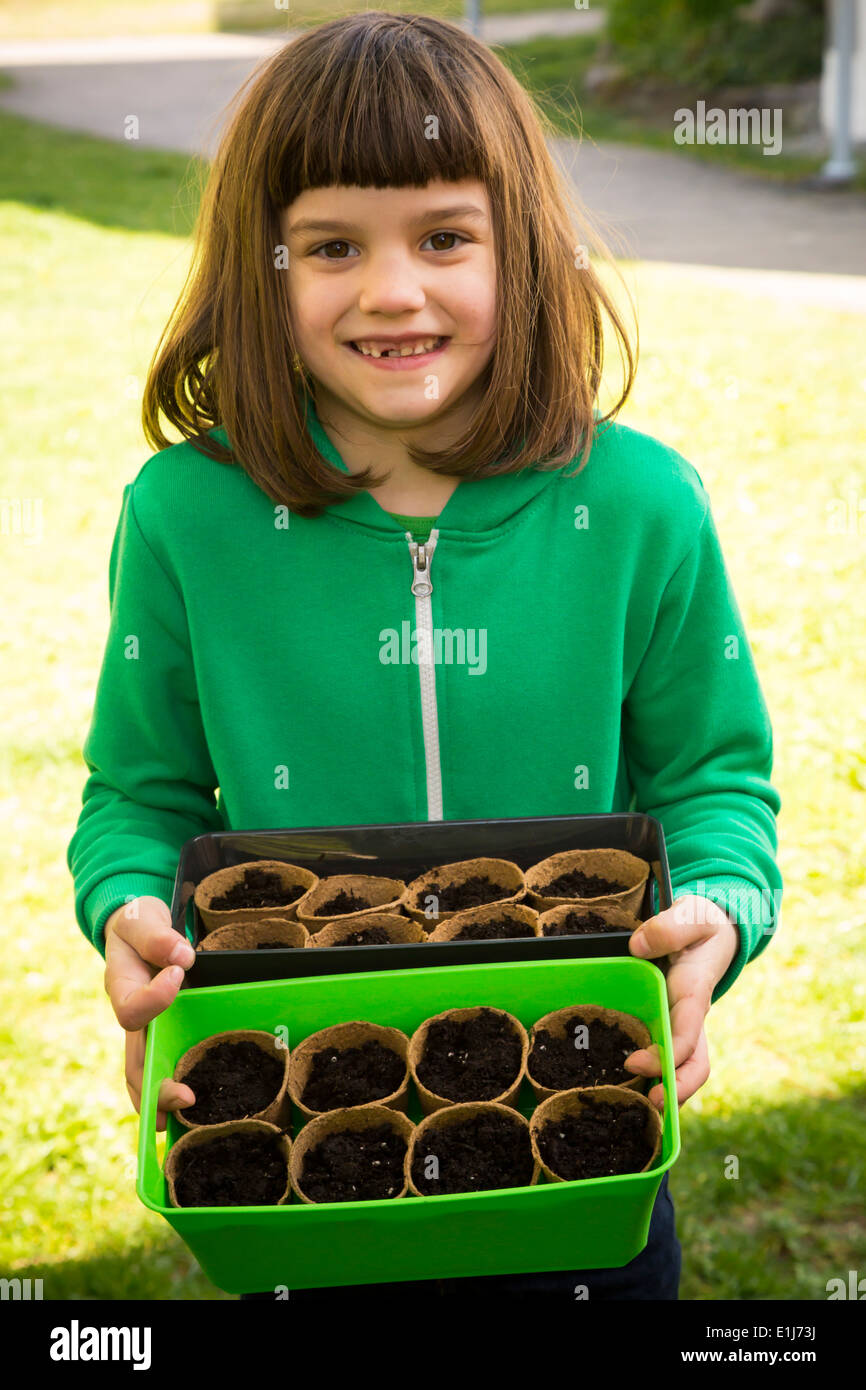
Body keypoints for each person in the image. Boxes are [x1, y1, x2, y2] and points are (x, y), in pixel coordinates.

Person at [66, 11, 782, 1302]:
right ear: (261, 266)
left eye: (445, 238)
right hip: (292, 1135)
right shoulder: (188, 516)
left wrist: (716, 917)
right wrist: (130, 907)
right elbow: (141, 796)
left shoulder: (635, 506)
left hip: (581, 1123)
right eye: (332, 246)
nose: (391, 291)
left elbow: (717, 787)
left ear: (523, 252)